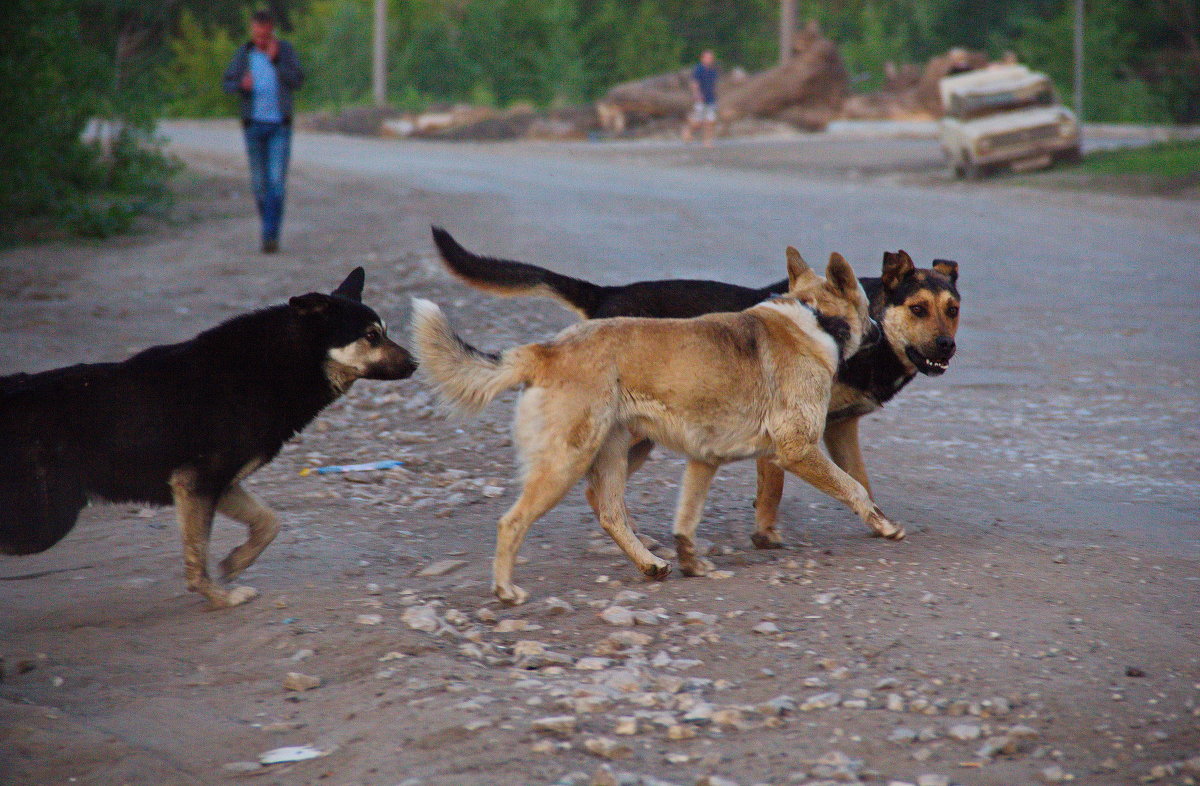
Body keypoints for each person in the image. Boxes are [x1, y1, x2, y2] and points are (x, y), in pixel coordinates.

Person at [222, 11, 304, 253]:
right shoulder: (244, 54)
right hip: (253, 125)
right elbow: (227, 83)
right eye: (257, 35)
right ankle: (269, 228)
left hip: (280, 125)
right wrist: (240, 86)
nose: (261, 39)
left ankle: (270, 235)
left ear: (272, 30)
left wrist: (276, 61)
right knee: (259, 184)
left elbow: (298, 80)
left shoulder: (284, 51)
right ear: (252, 30)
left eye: (265, 35)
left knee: (276, 182)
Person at [683, 50, 718, 147]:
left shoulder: (713, 70)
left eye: (711, 58)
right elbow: (694, 83)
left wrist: (715, 95)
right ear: (703, 58)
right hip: (700, 98)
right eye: (707, 57)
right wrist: (696, 94)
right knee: (697, 121)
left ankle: (707, 141)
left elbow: (714, 84)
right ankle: (687, 131)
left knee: (710, 121)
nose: (709, 60)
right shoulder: (698, 69)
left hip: (711, 98)